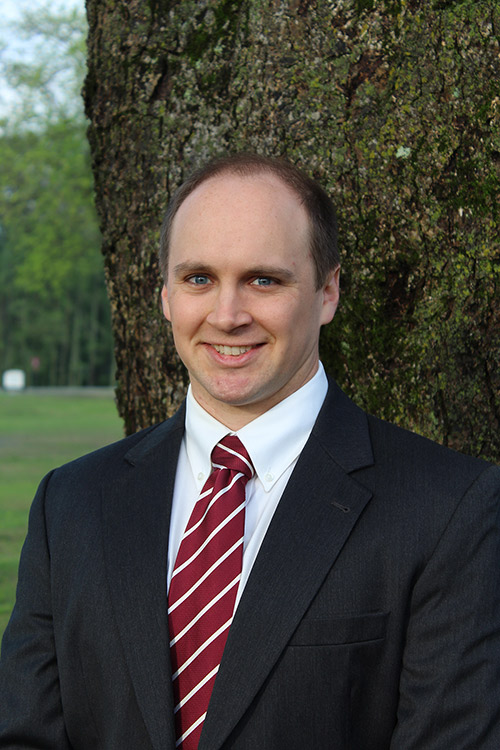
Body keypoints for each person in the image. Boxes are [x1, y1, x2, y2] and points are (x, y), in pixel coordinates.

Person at [1, 153, 499, 750]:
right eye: (199, 279)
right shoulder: (71, 503)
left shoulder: (448, 509)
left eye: (264, 279)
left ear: (328, 291)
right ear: (165, 295)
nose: (227, 315)